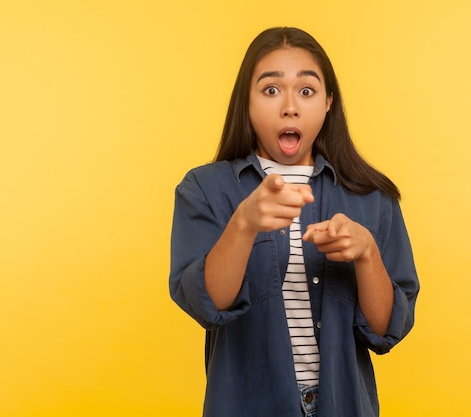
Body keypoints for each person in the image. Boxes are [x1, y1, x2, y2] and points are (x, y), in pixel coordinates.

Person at [169, 26, 420, 417]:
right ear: (247, 103)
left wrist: (367, 253)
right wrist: (244, 224)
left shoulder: (373, 198)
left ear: (328, 102)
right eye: (271, 90)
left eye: (307, 91)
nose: (290, 106)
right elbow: (207, 306)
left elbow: (387, 329)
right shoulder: (205, 189)